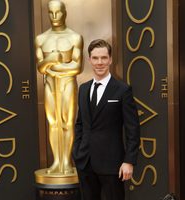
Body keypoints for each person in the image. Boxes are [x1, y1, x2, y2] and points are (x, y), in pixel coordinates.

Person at [72, 39, 140, 200]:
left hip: (112, 164)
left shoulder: (123, 90)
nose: (99, 62)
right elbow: (80, 123)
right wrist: (77, 151)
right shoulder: (83, 89)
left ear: (110, 59)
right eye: (95, 58)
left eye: (103, 58)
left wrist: (129, 161)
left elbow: (133, 128)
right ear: (89, 60)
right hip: (85, 162)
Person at [35, 0, 83, 175]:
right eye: (51, 13)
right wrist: (51, 60)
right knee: (53, 123)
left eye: (58, 12)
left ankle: (66, 161)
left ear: (65, 13)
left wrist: (53, 67)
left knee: (67, 122)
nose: (55, 17)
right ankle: (56, 161)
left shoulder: (75, 37)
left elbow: (77, 67)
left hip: (68, 84)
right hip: (49, 84)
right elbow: (40, 67)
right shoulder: (41, 39)